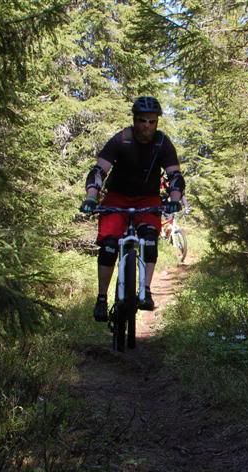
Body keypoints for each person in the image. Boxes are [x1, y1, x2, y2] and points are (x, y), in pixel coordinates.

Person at [79, 96, 185, 322]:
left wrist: (174, 199)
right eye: (142, 120)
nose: (147, 126)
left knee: (150, 239)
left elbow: (175, 176)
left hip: (148, 198)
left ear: (157, 122)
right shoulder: (121, 139)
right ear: (134, 120)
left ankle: (145, 290)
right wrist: (91, 198)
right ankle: (101, 299)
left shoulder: (162, 143)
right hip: (117, 197)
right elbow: (99, 171)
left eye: (152, 121)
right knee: (109, 246)